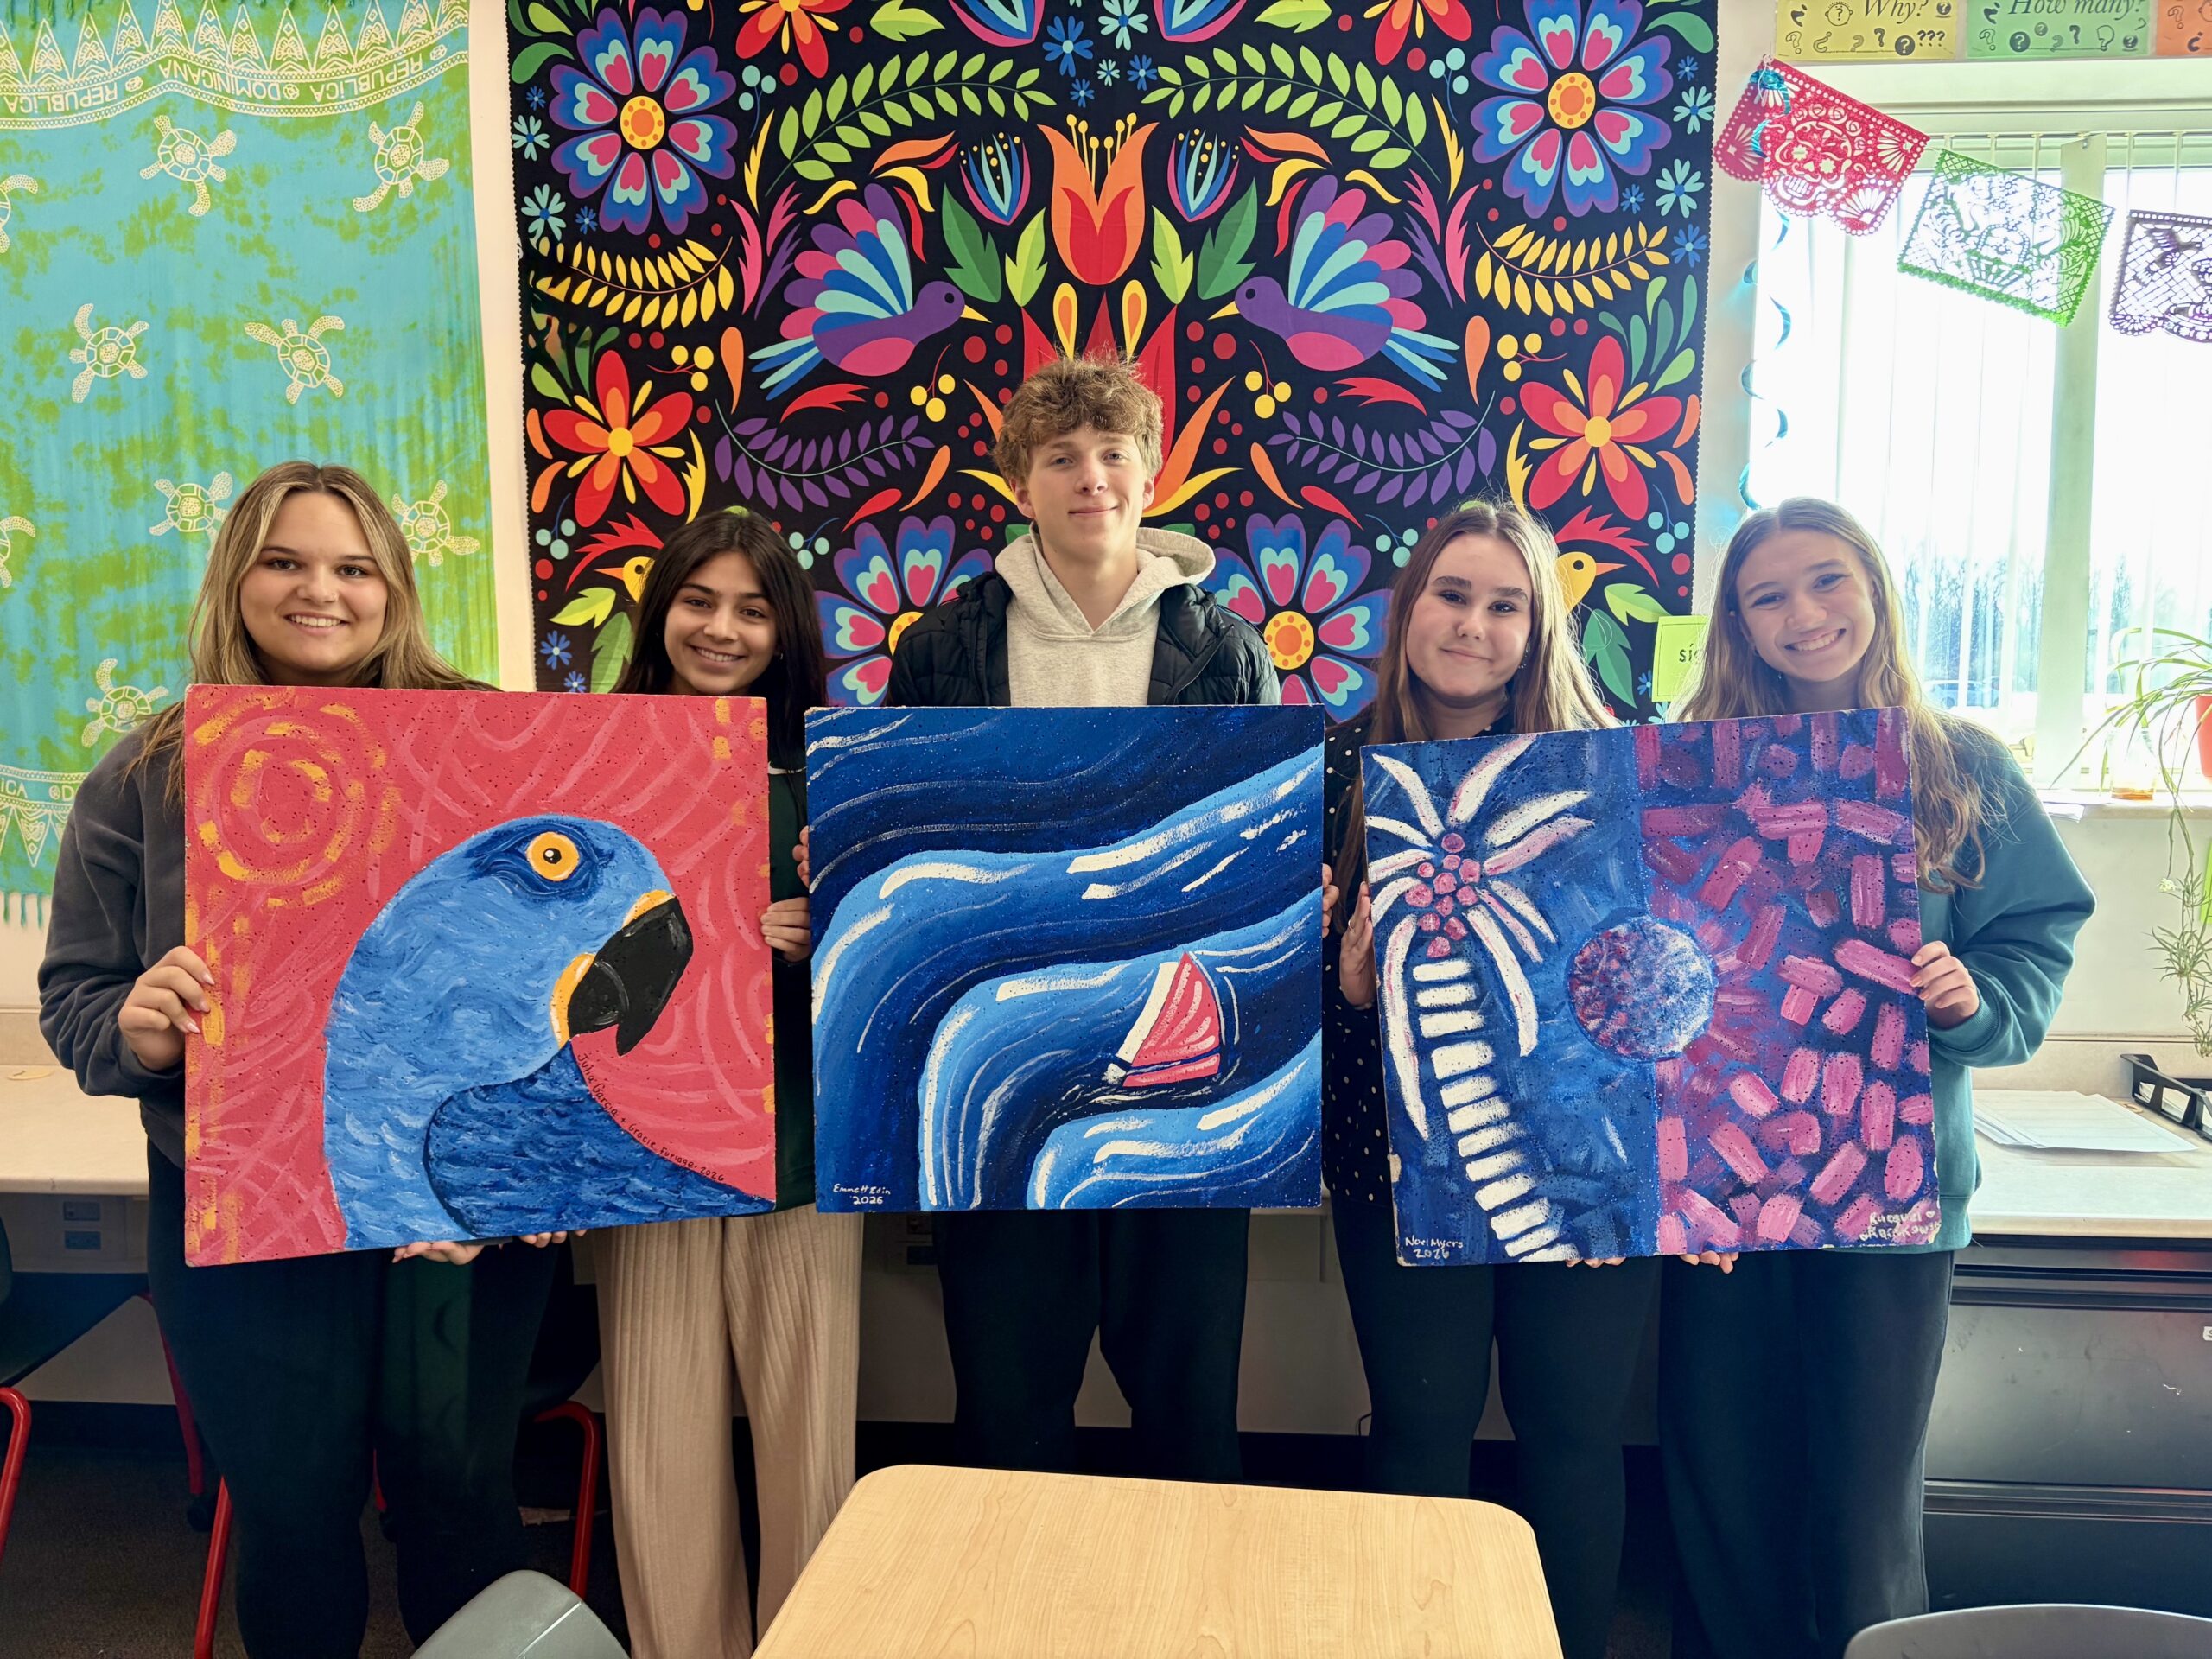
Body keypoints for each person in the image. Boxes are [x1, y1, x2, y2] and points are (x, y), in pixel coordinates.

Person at [38, 461, 561, 1657]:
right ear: (239, 577)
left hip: (460, 1215)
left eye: (351, 567)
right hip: (249, 1217)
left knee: (462, 1508)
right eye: (285, 561)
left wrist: (558, 1151)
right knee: (290, 1518)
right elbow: (76, 999)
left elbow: (563, 972)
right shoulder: (145, 772)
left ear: (394, 587)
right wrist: (137, 1026)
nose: (319, 591)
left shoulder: (495, 742)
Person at [1662, 498, 2094, 1659]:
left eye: (1827, 580)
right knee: (1725, 1484)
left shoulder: (1960, 765)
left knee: (1862, 1505)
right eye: (1769, 595)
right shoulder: (1692, 769)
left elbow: (2035, 936)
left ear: (1875, 588)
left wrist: (1973, 1000)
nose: (1804, 613)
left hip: (1890, 1202)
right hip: (1725, 1199)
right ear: (1739, 625)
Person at [880, 352, 1289, 1480]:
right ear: (1022, 483)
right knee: (1008, 1403)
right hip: (1005, 1056)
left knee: (1189, 1397)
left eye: (1114, 453)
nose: (1091, 477)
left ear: (1149, 475)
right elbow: (908, 833)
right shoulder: (944, 649)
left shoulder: (1224, 651)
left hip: (1181, 1060)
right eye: (1062, 456)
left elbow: (1261, 854)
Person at [1325, 499, 1659, 1659]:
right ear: (1410, 605)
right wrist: (1354, 988)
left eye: (1505, 604)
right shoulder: (1331, 766)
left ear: (1540, 626)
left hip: (1592, 1166)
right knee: (1420, 1427)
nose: (1473, 624)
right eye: (1451, 595)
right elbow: (1276, 1004)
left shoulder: (1615, 769)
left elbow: (1665, 972)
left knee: (1572, 1432)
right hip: (1395, 1164)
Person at [593, 510, 861, 1658]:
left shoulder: (841, 769)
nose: (722, 627)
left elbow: (893, 967)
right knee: (660, 1447)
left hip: (801, 1148)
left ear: (786, 627)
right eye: (699, 600)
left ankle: (809, 1643)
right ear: (663, 612)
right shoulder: (590, 760)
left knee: (812, 1446)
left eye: (753, 607)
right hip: (644, 1152)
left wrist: (828, 941)